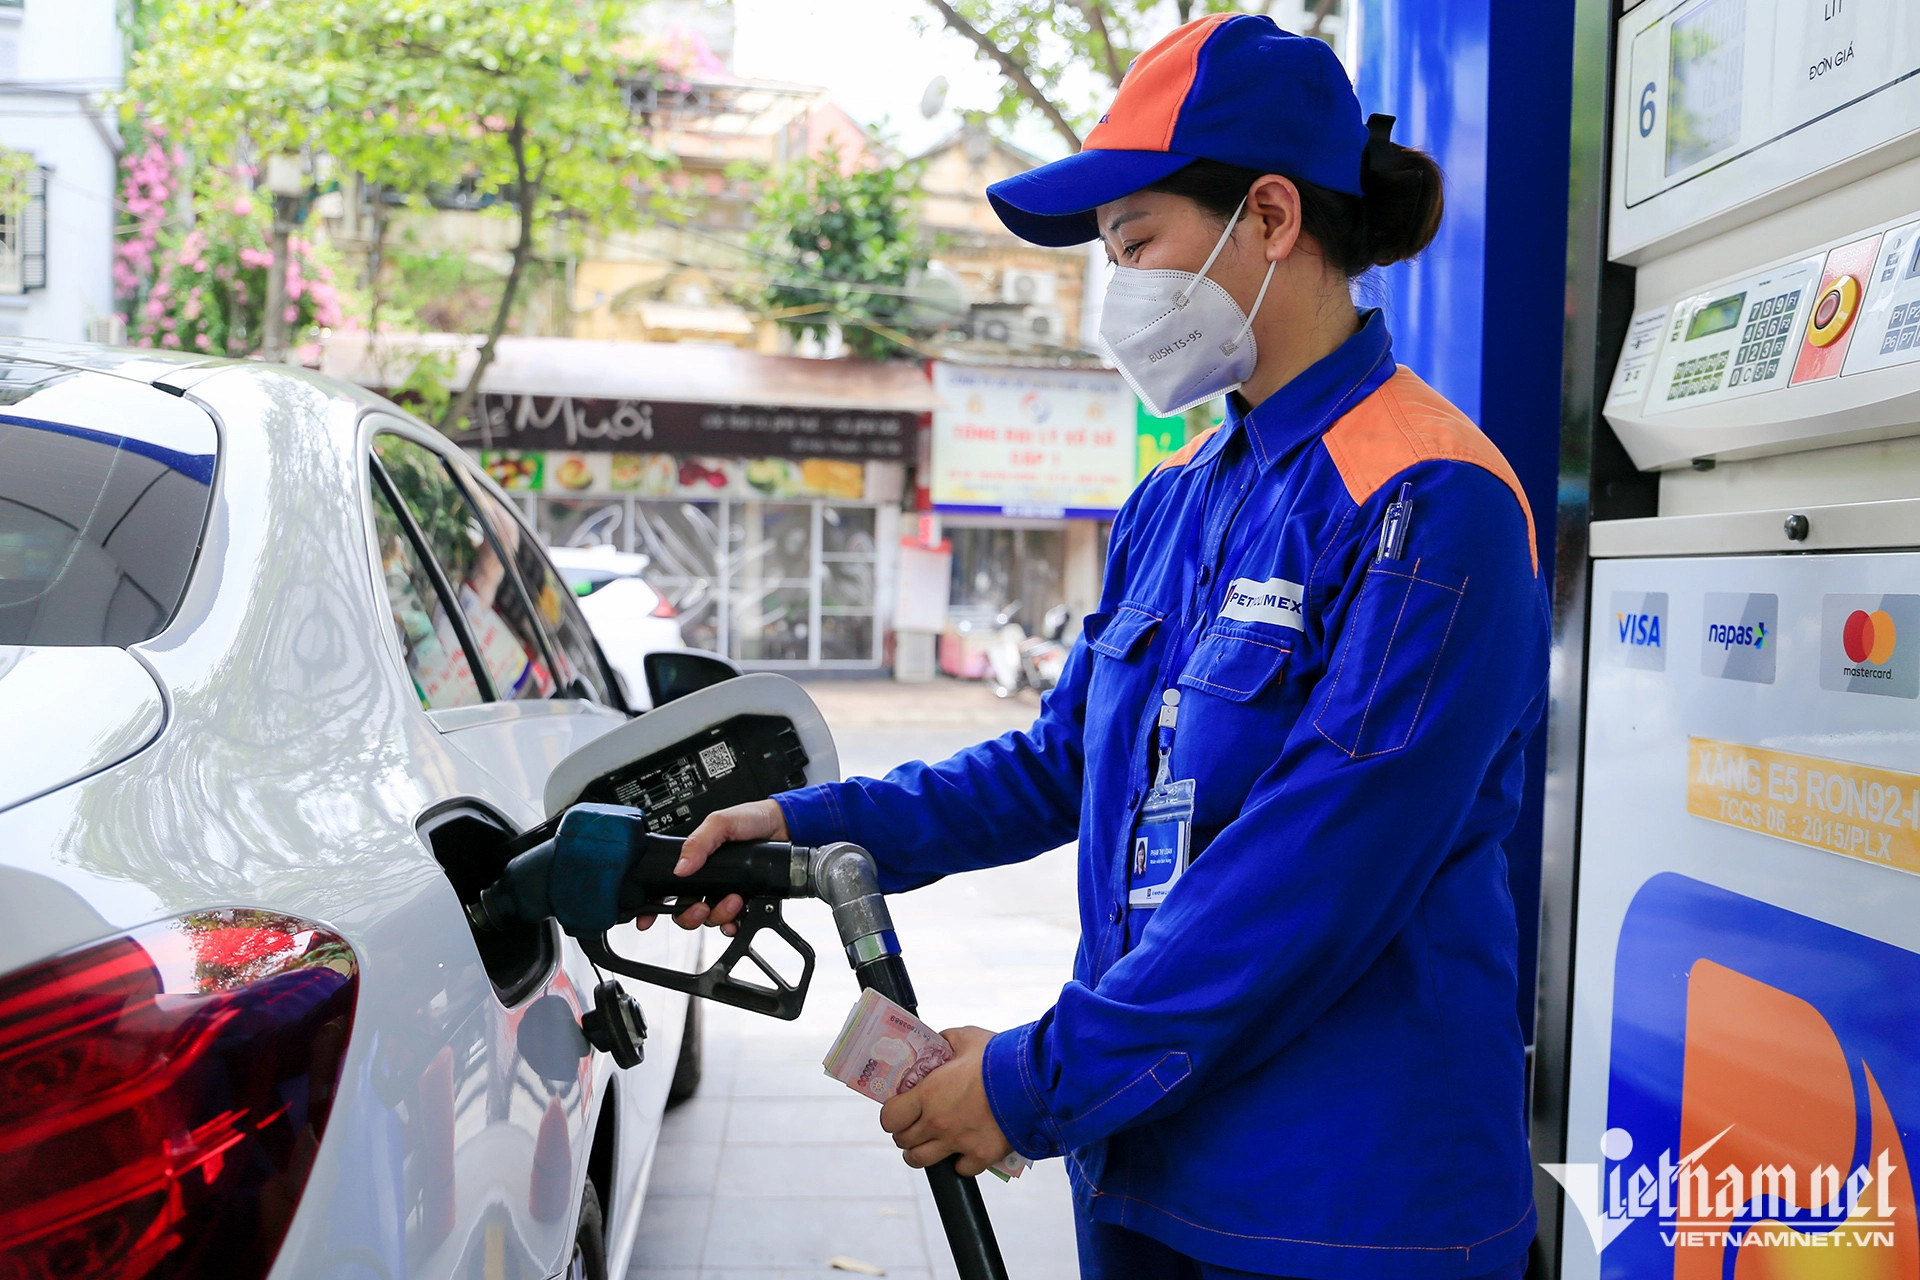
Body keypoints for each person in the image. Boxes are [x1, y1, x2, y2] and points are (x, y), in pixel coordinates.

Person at [652, 14, 1548, 1280]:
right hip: (1145, 1168)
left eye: (1135, 244)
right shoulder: (1178, 497)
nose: (1118, 289)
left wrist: (1029, 1079)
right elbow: (1060, 763)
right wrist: (803, 827)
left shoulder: (1430, 497)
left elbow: (1316, 868)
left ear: (1272, 217)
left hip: (1347, 1208)